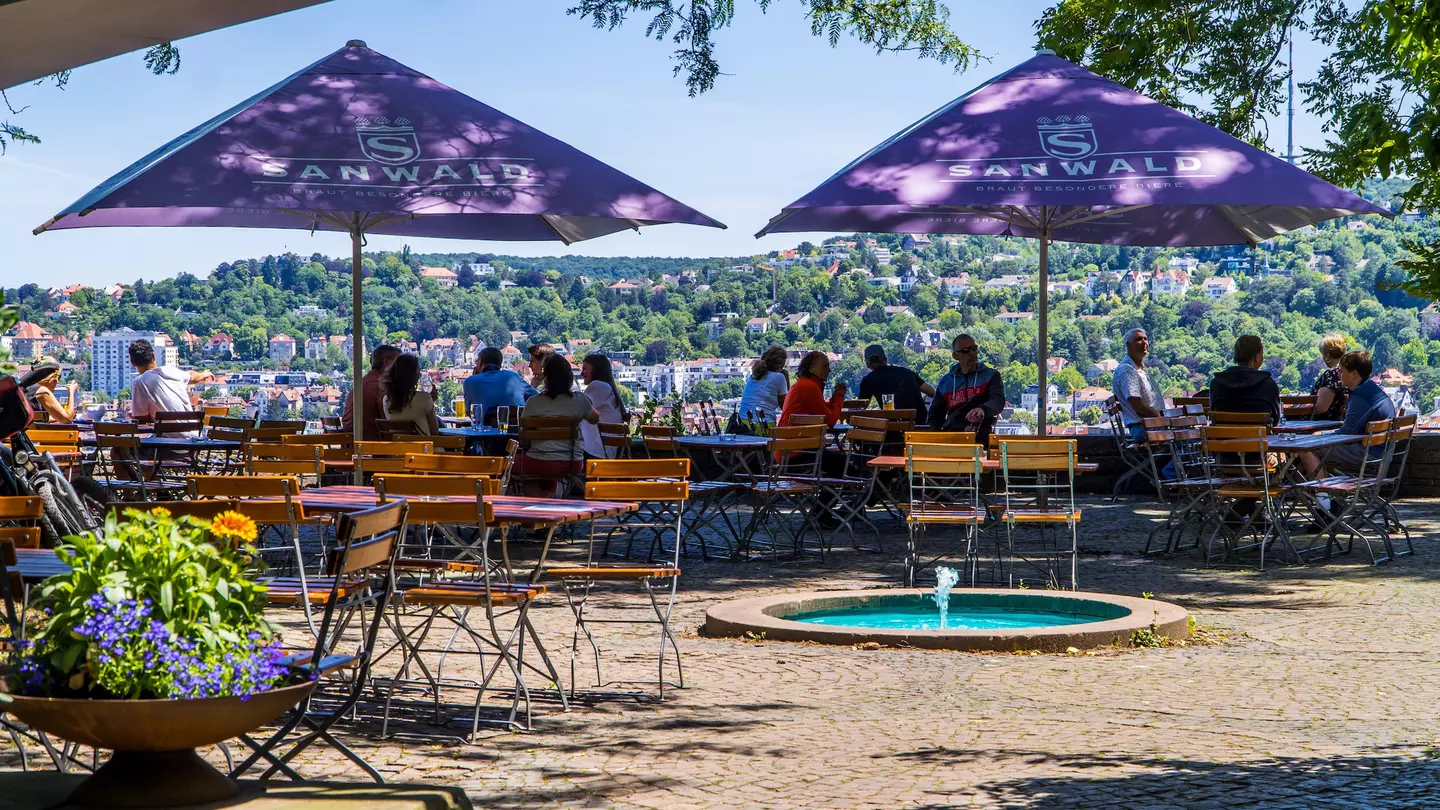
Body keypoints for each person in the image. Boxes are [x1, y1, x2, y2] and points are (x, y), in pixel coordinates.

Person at [514, 355, 599, 496]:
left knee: (511, 466)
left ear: (546, 377)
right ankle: (548, 496)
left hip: (539, 461)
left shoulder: (533, 402)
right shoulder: (580, 400)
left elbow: (524, 437)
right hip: (573, 462)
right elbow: (595, 419)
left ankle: (543, 500)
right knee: (547, 473)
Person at [1302, 350, 1396, 476]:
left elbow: (1347, 433)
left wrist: (1320, 435)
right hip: (1382, 453)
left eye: (1342, 371)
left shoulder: (1359, 396)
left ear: (1353, 374)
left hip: (1368, 454)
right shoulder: (1372, 390)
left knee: (1306, 450)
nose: (1339, 374)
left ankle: (1321, 494)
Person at [928, 334, 1005, 446]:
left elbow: (998, 401)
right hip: (952, 437)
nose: (972, 353)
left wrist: (983, 410)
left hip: (982, 436)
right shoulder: (946, 381)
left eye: (974, 348)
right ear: (955, 356)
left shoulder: (991, 375)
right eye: (965, 351)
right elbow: (934, 418)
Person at [128, 339, 214, 431]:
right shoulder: (171, 371)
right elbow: (192, 376)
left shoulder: (139, 382)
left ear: (132, 363)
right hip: (193, 435)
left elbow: (142, 420)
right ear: (153, 357)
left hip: (165, 440)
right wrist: (203, 375)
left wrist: (132, 415)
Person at [1208, 335, 1281, 426]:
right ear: (1257, 357)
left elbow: (1214, 414)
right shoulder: (1268, 384)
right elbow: (1275, 420)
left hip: (1223, 439)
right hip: (1258, 439)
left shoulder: (1216, 383)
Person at [1112, 328, 1166, 442]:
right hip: (1143, 428)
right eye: (1138, 339)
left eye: (1145, 339)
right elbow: (1138, 406)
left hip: (1152, 425)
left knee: (1189, 433)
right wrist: (1162, 419)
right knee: (1184, 436)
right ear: (1128, 345)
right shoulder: (1127, 370)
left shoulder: (1140, 369)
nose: (1144, 342)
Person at [857, 344, 934, 420]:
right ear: (886, 359)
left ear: (868, 364)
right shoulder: (906, 372)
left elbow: (861, 406)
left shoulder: (868, 380)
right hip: (919, 424)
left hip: (893, 426)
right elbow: (932, 392)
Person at [463, 346, 536, 426]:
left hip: (485, 436)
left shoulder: (470, 381)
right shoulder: (513, 377)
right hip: (517, 435)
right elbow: (537, 399)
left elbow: (471, 414)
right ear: (500, 364)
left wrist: (474, 380)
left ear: (480, 362)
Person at [341, 344, 400, 441]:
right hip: (371, 444)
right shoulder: (380, 386)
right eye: (398, 362)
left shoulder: (362, 382)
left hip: (352, 443)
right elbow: (391, 416)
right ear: (386, 362)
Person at [778, 351, 845, 427]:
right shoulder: (809, 387)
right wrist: (839, 396)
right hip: (796, 437)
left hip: (789, 435)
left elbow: (821, 410)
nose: (829, 370)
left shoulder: (803, 384)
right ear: (812, 367)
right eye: (825, 366)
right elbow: (830, 420)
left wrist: (835, 398)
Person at [580, 353, 627, 458]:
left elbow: (578, 407)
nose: (581, 373)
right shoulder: (609, 388)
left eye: (585, 368)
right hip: (605, 453)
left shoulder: (598, 386)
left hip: (595, 453)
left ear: (595, 369)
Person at [381, 354, 440, 436]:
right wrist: (431, 403)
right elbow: (434, 431)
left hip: (398, 447)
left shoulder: (386, 400)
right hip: (423, 447)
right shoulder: (424, 398)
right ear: (415, 376)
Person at [735, 346, 789, 431]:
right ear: (781, 365)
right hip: (763, 425)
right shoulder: (779, 377)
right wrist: (786, 378)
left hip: (742, 424)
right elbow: (785, 406)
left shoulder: (754, 375)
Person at [1311, 333, 1348, 421]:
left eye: (1323, 354)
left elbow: (1320, 408)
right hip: (1339, 422)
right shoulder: (1348, 372)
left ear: (1327, 355)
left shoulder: (1332, 375)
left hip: (1324, 424)